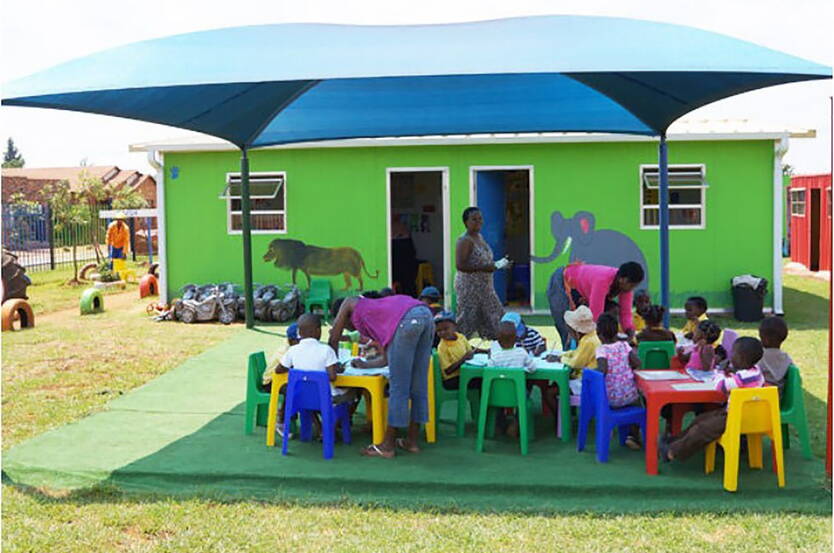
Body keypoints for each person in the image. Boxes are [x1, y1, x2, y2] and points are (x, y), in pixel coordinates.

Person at [328, 294, 433, 458]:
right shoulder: (378, 315)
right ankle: (411, 441)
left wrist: (333, 364)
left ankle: (387, 445)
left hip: (406, 320)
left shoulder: (350, 302)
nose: (350, 329)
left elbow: (334, 336)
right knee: (418, 385)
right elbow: (386, 358)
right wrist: (365, 365)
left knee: (399, 388)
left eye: (347, 325)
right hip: (425, 315)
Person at [661, 337, 765, 463]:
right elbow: (738, 382)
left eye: (734, 354)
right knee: (701, 419)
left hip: (738, 418)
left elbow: (720, 386)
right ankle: (675, 440)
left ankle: (673, 452)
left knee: (702, 429)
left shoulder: (743, 377)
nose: (731, 356)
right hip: (736, 413)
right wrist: (731, 372)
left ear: (742, 358)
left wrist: (719, 371)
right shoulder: (754, 372)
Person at [275, 314, 358, 436]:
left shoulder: (292, 350)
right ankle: (331, 428)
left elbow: (279, 370)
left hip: (302, 397)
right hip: (326, 398)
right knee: (352, 392)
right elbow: (333, 376)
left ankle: (321, 429)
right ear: (318, 331)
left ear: (299, 332)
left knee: (309, 393)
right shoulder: (326, 350)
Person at [547, 261, 644, 350]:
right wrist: (610, 340)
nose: (632, 289)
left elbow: (625, 313)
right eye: (631, 285)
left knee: (611, 312)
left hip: (581, 291)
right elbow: (595, 316)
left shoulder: (626, 287)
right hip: (563, 281)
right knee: (568, 328)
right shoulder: (602, 280)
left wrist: (630, 333)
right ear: (622, 279)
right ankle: (569, 357)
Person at [454, 207, 508, 340]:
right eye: (474, 219)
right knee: (467, 319)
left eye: (480, 218)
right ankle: (458, 348)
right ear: (466, 222)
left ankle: (498, 347)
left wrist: (499, 264)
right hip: (469, 287)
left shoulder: (479, 237)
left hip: (485, 287)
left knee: (495, 316)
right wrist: (484, 267)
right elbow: (460, 265)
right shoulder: (464, 240)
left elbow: (483, 260)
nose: (478, 222)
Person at [595, 313, 642, 449]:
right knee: (640, 404)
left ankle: (611, 430)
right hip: (629, 396)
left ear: (599, 334)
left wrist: (593, 372)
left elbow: (602, 370)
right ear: (617, 332)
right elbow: (637, 362)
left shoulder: (601, 350)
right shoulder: (624, 346)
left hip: (610, 400)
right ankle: (633, 436)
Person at [435, 311, 487, 390]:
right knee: (481, 380)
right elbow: (447, 371)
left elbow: (470, 350)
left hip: (464, 373)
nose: (442, 332)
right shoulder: (442, 347)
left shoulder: (460, 337)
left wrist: (485, 351)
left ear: (455, 327)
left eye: (446, 329)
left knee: (482, 376)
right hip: (452, 379)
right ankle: (481, 402)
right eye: (439, 330)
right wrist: (463, 359)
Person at [552, 305, 600, 380]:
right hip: (586, 375)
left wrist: (560, 359)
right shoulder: (590, 336)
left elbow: (576, 363)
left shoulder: (588, 342)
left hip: (585, 378)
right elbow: (577, 353)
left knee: (554, 389)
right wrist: (563, 355)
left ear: (576, 331)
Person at [758, 316, 793, 398]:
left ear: (765, 338)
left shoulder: (759, 355)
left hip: (758, 397)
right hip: (777, 398)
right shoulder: (786, 358)